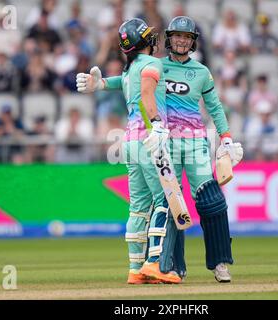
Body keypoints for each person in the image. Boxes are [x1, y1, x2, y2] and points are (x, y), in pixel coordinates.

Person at [84, 16, 244, 283]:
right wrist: (101, 84)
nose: (182, 40)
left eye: (187, 37)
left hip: (195, 144)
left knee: (212, 202)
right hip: (163, 143)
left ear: (193, 42)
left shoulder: (202, 72)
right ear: (169, 39)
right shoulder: (156, 64)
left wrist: (226, 139)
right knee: (171, 202)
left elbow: (215, 107)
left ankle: (219, 263)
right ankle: (168, 266)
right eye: (178, 36)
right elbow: (129, 80)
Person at [76, 18, 181, 284]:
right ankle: (154, 263)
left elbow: (121, 82)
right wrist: (157, 126)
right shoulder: (152, 64)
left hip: (130, 143)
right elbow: (147, 94)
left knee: (138, 208)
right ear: (144, 42)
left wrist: (99, 84)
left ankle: (135, 269)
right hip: (149, 139)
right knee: (165, 200)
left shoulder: (130, 68)